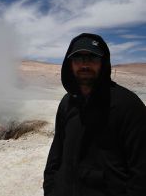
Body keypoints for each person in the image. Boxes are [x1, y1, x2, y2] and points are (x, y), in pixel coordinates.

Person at [43, 33, 146, 196]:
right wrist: (50, 189)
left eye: (93, 57)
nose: (85, 64)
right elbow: (55, 155)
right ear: (69, 64)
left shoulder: (128, 106)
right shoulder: (67, 103)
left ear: (103, 62)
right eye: (78, 58)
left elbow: (141, 174)